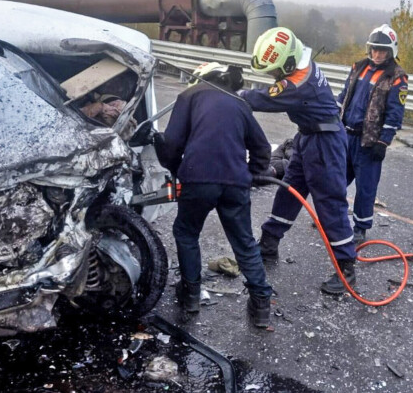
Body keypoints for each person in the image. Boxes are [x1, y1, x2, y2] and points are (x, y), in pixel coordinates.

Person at [153, 62, 274, 327]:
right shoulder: (240, 104)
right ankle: (261, 305)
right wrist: (250, 175)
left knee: (186, 232)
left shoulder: (190, 95)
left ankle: (191, 295)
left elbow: (172, 143)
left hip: (198, 178)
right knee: (243, 241)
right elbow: (263, 148)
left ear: (201, 78)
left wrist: (177, 169)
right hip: (235, 182)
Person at [240, 27, 357, 294]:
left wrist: (238, 95)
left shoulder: (298, 85)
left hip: (326, 143)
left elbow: (265, 98)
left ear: (289, 61)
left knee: (330, 203)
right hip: (308, 137)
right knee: (289, 191)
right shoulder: (301, 65)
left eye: (275, 71)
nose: (274, 76)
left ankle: (346, 267)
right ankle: (269, 243)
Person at [338, 24, 408, 245]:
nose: (377, 54)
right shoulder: (358, 67)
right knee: (336, 181)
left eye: (383, 50)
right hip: (345, 136)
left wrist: (383, 142)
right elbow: (343, 96)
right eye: (375, 49)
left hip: (368, 143)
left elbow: (395, 113)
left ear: (391, 51)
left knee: (366, 189)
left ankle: (360, 228)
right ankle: (334, 219)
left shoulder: (397, 77)